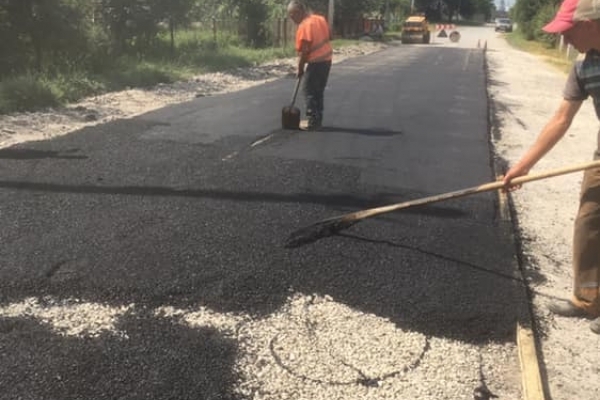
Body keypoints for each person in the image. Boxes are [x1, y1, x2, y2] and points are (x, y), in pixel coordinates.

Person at [502, 0, 600, 334]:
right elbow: (561, 119)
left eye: (567, 32)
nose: (565, 39)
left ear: (587, 25)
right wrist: (523, 167)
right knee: (590, 218)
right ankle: (588, 300)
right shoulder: (584, 67)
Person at [287, 1, 333, 131]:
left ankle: (313, 121)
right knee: (318, 90)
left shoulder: (305, 26)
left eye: (292, 15)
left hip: (316, 62)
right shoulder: (320, 19)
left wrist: (300, 69)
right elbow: (330, 36)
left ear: (298, 12)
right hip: (327, 60)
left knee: (308, 90)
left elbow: (304, 52)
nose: (292, 19)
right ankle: (318, 119)